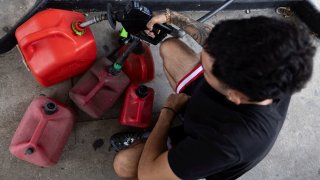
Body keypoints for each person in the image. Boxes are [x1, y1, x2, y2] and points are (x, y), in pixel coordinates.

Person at [110, 9, 316, 180]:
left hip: (202, 140)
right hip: (206, 109)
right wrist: (172, 17)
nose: (200, 56)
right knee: (170, 47)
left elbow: (149, 175)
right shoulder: (279, 60)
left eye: (206, 69)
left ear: (235, 96)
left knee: (124, 164)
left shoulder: (227, 143)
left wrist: (167, 112)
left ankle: (158, 140)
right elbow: (215, 43)